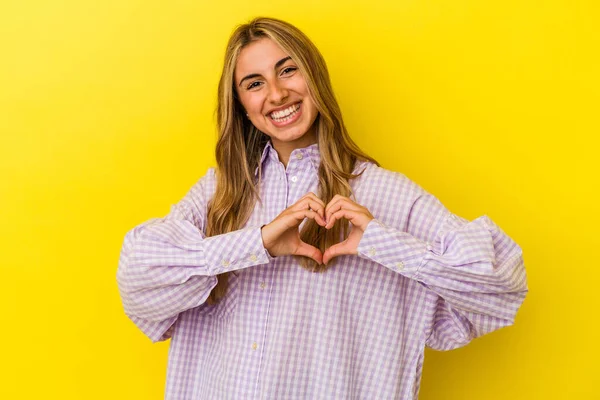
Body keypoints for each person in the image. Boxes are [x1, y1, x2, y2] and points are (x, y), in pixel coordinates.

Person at [116, 17, 528, 400]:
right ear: (241, 104)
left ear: (315, 77)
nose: (277, 94)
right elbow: (136, 280)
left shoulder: (387, 197)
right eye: (254, 83)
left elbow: (501, 284)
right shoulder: (219, 195)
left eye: (288, 69)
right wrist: (257, 244)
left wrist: (382, 243)